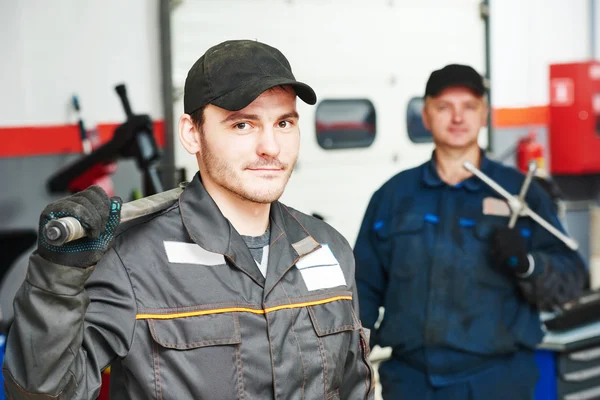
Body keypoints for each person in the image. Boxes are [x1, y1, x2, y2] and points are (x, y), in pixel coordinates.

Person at [3, 40, 375, 399]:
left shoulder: (328, 248)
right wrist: (56, 279)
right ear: (192, 133)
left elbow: (356, 387)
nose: (271, 147)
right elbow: (44, 394)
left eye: (283, 123)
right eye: (242, 125)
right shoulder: (133, 261)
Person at [354, 64, 587, 399]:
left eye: (469, 107)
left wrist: (528, 264)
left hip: (498, 380)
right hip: (411, 382)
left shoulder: (520, 195)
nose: (458, 118)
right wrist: (352, 357)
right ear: (426, 114)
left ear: (484, 114)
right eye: (444, 107)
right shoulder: (394, 197)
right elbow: (362, 287)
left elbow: (571, 281)